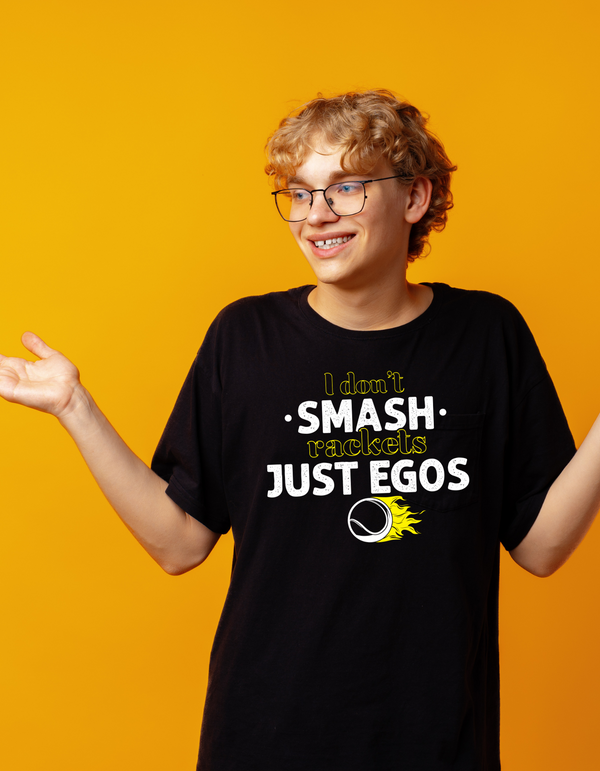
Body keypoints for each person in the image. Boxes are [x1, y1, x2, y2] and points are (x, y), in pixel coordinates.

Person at [1, 89, 599, 770]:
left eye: (345, 188)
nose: (316, 216)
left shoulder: (487, 335)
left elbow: (542, 546)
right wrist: (73, 406)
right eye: (300, 192)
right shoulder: (244, 339)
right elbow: (178, 543)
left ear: (414, 199)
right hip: (265, 738)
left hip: (436, 740)